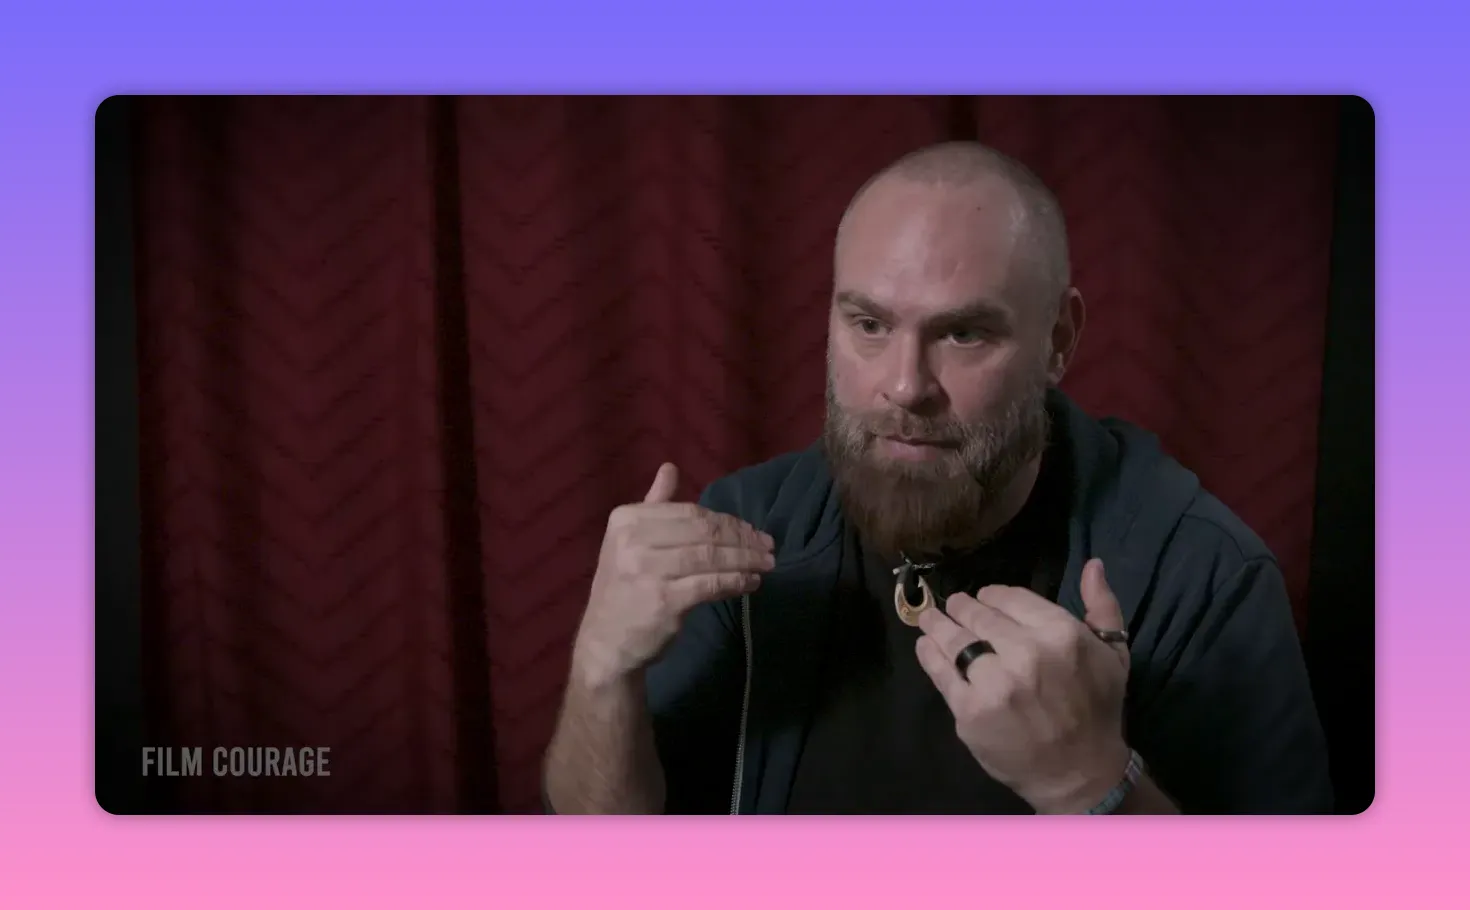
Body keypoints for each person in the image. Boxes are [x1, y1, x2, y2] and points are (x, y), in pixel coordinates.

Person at [542, 141, 1335, 815]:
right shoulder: (747, 526)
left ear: (1058, 339)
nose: (904, 386)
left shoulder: (1201, 575)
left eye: (962, 332)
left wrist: (1090, 783)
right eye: (869, 324)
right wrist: (601, 670)